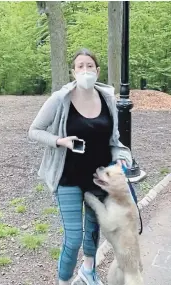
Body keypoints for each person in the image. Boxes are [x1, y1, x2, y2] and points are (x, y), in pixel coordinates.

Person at [29, 48, 132, 285]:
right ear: (73, 72)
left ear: (97, 70)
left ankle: (88, 272)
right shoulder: (60, 99)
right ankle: (64, 281)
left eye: (89, 66)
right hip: (68, 178)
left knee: (93, 232)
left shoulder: (107, 98)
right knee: (73, 238)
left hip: (99, 179)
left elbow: (114, 140)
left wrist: (121, 157)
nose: (85, 71)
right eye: (80, 66)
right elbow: (34, 130)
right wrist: (59, 141)